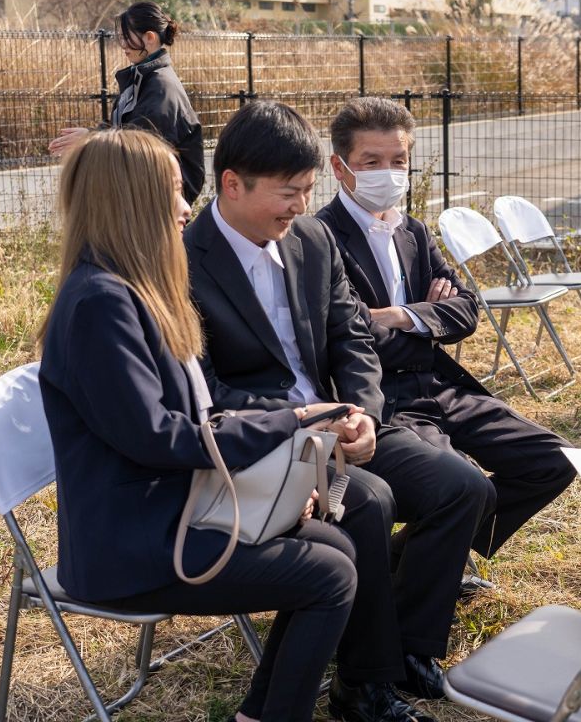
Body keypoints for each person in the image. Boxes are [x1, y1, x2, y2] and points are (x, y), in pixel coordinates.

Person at [37, 128, 364, 722]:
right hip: (132, 547)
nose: (188, 204)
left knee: (337, 546)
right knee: (326, 575)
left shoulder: (135, 291)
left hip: (174, 517)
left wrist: (287, 432)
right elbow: (159, 438)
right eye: (172, 190)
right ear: (130, 201)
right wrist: (288, 421)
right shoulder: (99, 305)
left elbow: (195, 416)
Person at [186, 100, 492, 722]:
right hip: (263, 443)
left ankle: (409, 649)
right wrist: (305, 420)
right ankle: (362, 685)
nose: (301, 206)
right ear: (231, 185)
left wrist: (362, 414)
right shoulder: (187, 262)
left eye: (306, 190)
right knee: (370, 503)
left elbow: (351, 338)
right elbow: (205, 388)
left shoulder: (312, 239)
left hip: (340, 424)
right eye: (288, 193)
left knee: (462, 488)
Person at [316, 96, 576, 559]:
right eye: (371, 162)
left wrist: (401, 315)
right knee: (463, 485)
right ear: (340, 167)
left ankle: (431, 553)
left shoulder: (411, 230)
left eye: (399, 161)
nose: (388, 172)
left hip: (439, 384)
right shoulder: (321, 239)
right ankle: (428, 561)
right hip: (383, 398)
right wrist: (428, 323)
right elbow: (356, 338)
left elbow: (468, 310)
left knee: (553, 460)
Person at [48, 2, 205, 204]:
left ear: (149, 38)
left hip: (160, 203)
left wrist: (91, 139)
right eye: (120, 38)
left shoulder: (160, 87)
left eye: (126, 37)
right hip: (147, 199)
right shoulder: (143, 79)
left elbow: (139, 145)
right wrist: (92, 135)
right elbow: (126, 130)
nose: (122, 45)